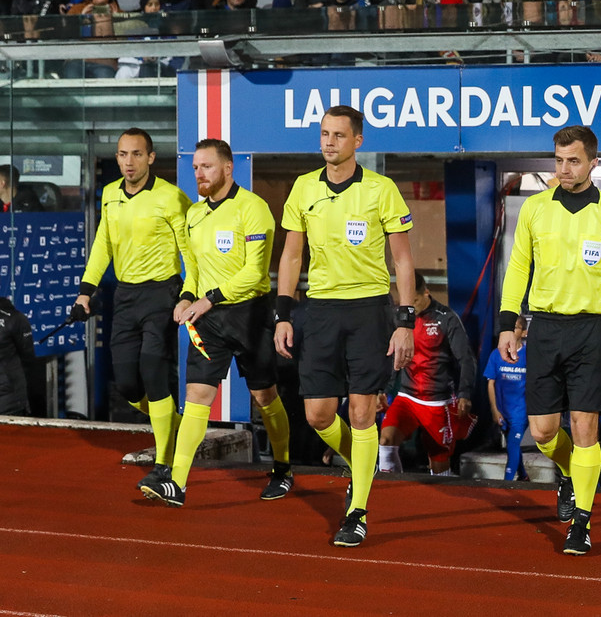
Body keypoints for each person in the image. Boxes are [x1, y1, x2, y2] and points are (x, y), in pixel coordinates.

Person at [498, 125, 601, 555]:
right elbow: (518, 268)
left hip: (593, 331)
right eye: (559, 160)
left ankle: (581, 521)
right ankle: (570, 472)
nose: (564, 169)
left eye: (574, 161)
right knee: (544, 432)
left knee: (585, 426)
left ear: (593, 162)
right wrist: (507, 324)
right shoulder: (535, 209)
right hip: (545, 329)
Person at [274, 105, 416, 547]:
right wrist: (283, 314)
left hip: (369, 311)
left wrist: (405, 321)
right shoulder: (303, 187)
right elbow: (291, 256)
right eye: (324, 134)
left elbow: (402, 260)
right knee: (317, 415)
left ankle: (358, 511)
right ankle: (362, 464)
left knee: (360, 412)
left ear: (358, 141)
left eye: (338, 135)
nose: (329, 142)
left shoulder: (381, 189)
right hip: (319, 310)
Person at [140, 138, 292, 506]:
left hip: (250, 314)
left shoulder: (253, 208)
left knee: (265, 396)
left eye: (206, 166)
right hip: (209, 319)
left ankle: (283, 468)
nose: (199, 174)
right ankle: (177, 483)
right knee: (196, 396)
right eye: (195, 167)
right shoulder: (194, 214)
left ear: (227, 168)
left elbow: (254, 272)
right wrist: (186, 296)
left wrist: (208, 299)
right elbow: (192, 269)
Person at [70, 129, 189, 487]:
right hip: (124, 296)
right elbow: (102, 245)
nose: (129, 162)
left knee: (154, 371)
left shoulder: (171, 197)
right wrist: (85, 291)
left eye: (137, 154)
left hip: (161, 293)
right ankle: (175, 427)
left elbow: (191, 250)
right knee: (126, 384)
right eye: (123, 154)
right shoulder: (109, 194)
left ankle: (165, 463)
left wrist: (189, 293)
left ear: (151, 157)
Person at [378, 273, 476, 476]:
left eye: (414, 301)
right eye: (407, 301)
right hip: (407, 397)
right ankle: (393, 489)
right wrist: (384, 390)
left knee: (438, 461)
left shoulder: (446, 318)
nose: (411, 307)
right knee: (386, 441)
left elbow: (466, 359)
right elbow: (393, 356)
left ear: (426, 293)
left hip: (437, 402)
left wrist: (465, 393)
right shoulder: (400, 317)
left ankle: (445, 492)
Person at [484, 314, 529, 481]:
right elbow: (490, 383)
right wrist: (494, 410)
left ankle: (507, 483)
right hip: (502, 411)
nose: (511, 331)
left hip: (521, 412)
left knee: (513, 444)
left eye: (515, 327)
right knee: (512, 446)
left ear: (524, 333)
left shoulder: (529, 355)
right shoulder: (496, 355)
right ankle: (523, 476)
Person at [0, 297, 36, 416]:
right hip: (10, 399)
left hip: (8, 401)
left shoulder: (13, 318)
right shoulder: (15, 318)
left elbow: (27, 358)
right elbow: (28, 357)